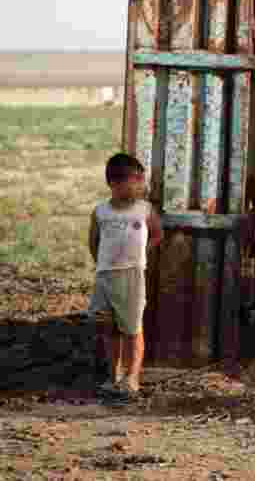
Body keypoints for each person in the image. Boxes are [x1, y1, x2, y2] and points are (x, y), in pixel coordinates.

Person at [88, 153, 162, 397]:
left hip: (131, 276)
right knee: (108, 326)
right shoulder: (100, 212)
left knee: (132, 328)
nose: (141, 186)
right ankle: (113, 376)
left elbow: (157, 235)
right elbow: (93, 241)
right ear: (114, 184)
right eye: (136, 180)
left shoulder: (144, 210)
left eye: (141, 180)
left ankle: (132, 378)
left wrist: (140, 256)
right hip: (105, 276)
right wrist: (102, 265)